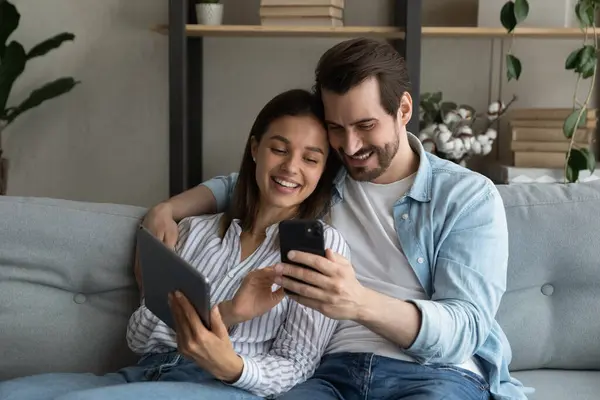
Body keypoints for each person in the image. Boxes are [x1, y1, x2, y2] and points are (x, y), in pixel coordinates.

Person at [142, 38, 529, 400]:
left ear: (404, 110)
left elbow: (465, 328)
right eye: (336, 129)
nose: (351, 146)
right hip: (330, 374)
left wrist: (358, 302)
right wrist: (168, 209)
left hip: (436, 372)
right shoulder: (326, 174)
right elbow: (247, 181)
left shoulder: (466, 196)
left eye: (365, 126)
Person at [0, 89, 351, 400]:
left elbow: (296, 365)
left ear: (322, 171)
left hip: (221, 387)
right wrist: (227, 313)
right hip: (144, 374)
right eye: (279, 149)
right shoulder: (194, 232)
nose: (291, 167)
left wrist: (231, 366)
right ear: (256, 148)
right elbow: (138, 336)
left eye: (311, 159)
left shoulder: (320, 248)